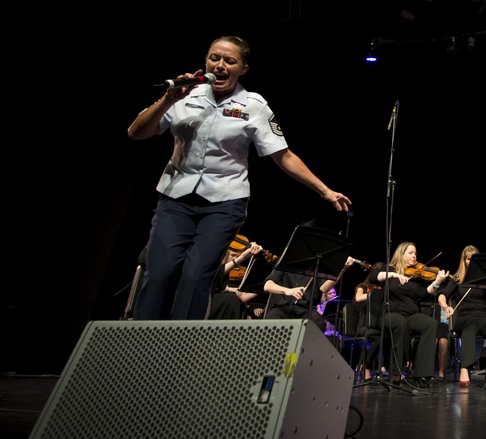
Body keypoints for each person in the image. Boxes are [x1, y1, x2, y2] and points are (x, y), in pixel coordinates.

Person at [126, 35, 352, 321]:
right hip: (174, 197)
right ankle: (140, 345)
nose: (220, 65)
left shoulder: (253, 105)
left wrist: (325, 191)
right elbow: (137, 132)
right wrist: (168, 99)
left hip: (223, 202)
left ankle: (180, 349)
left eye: (229, 61)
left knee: (195, 276)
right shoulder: (186, 95)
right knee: (159, 274)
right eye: (214, 58)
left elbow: (283, 155)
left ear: (243, 68)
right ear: (205, 61)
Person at [366, 242, 449, 386]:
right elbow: (373, 277)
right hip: (389, 314)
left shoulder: (415, 276)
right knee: (400, 323)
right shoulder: (388, 270)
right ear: (401, 254)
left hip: (410, 315)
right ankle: (397, 373)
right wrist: (393, 274)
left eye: (415, 253)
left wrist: (436, 282)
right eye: (410, 252)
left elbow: (423, 294)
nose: (414, 256)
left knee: (431, 324)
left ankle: (423, 374)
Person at [437, 245, 486, 387]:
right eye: (468, 259)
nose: (471, 262)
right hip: (464, 317)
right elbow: (442, 296)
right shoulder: (457, 279)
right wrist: (446, 306)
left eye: (474, 259)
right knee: (469, 329)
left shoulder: (485, 280)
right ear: (464, 261)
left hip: (483, 315)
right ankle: (464, 368)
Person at [263, 254, 359, 338]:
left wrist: (343, 269)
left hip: (307, 310)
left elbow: (324, 288)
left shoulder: (318, 265)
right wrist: (288, 291)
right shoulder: (286, 260)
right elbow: (268, 286)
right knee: (273, 317)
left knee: (319, 323)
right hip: (284, 307)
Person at [208, 240, 262, 319]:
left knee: (234, 300)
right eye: (232, 255)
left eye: (237, 256)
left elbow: (243, 297)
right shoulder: (214, 266)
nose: (235, 258)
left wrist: (263, 286)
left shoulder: (238, 273)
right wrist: (226, 288)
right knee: (230, 299)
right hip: (209, 299)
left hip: (232, 300)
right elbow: (212, 280)